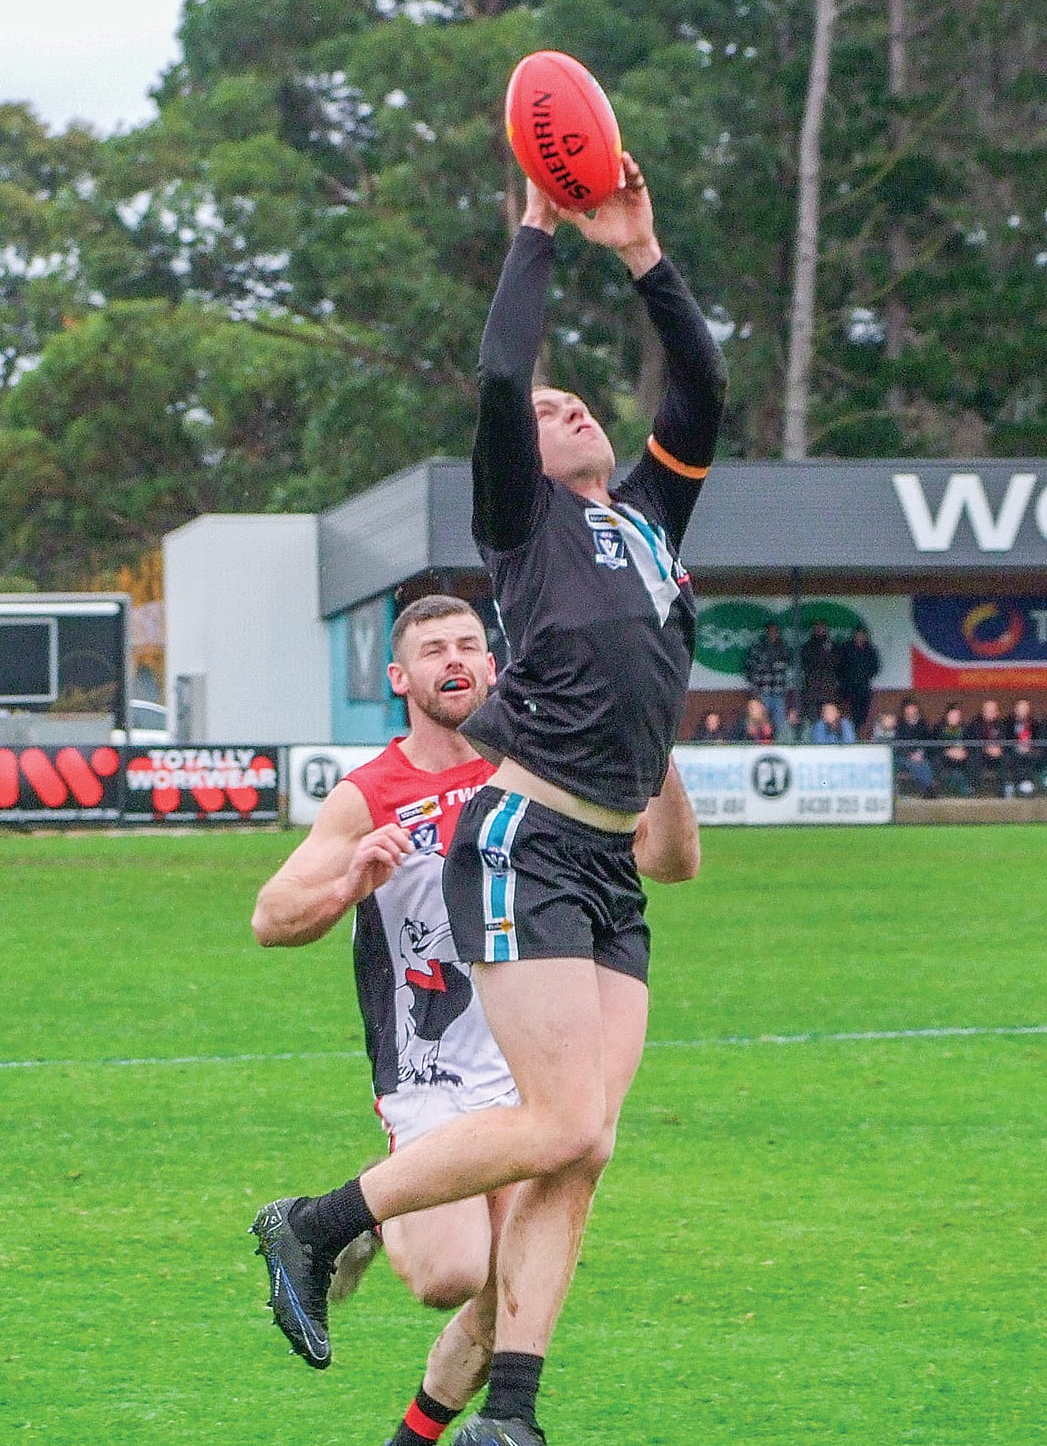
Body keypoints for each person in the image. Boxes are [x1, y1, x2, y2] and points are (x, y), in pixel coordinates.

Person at [250, 153, 725, 1446]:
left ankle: (499, 1415)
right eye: (551, 406)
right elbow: (503, 375)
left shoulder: (649, 523)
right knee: (560, 1119)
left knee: (582, 1148)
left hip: (607, 864)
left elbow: (703, 386)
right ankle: (318, 1223)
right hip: (521, 841)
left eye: (588, 405)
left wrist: (642, 248)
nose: (569, 407)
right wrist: (536, 229)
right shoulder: (524, 525)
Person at [248, 597, 700, 1446]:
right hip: (431, 1070)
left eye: (468, 645)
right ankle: (368, 1212)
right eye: (432, 650)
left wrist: (655, 733)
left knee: (511, 1298)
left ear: (495, 667)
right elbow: (271, 916)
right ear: (401, 678)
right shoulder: (373, 792)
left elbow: (672, 863)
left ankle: (423, 1437)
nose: (454, 660)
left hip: (532, 1061)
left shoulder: (545, 772)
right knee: (451, 1276)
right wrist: (350, 880)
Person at [742, 621, 793, 740]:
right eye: (771, 631)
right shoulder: (758, 648)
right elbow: (749, 668)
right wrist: (755, 690)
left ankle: (780, 745)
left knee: (780, 723)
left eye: (775, 631)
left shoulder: (784, 648)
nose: (773, 633)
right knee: (761, 722)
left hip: (779, 691)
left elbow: (789, 668)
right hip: (762, 692)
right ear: (766, 632)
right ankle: (759, 744)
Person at [834, 624, 881, 732]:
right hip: (848, 688)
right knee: (848, 714)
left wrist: (864, 676)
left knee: (862, 715)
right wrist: (846, 680)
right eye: (858, 634)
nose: (860, 637)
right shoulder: (846, 648)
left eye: (862, 635)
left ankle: (858, 733)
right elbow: (838, 667)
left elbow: (875, 668)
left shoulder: (870, 649)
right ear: (854, 635)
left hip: (863, 688)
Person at [892, 699, 938, 797]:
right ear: (904, 711)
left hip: (920, 756)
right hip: (903, 756)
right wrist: (910, 755)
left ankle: (929, 788)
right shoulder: (899, 725)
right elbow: (898, 744)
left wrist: (920, 753)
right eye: (908, 710)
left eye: (913, 710)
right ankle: (929, 787)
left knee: (924, 764)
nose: (911, 713)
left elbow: (928, 742)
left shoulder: (923, 724)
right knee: (914, 763)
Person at [798, 620, 839, 720]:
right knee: (813, 719)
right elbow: (805, 664)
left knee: (828, 719)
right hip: (811, 690)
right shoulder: (807, 646)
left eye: (822, 627)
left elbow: (837, 663)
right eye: (817, 628)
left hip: (828, 690)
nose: (820, 630)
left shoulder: (832, 645)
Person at [967, 697, 1010, 795]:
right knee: (974, 758)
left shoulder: (1002, 725)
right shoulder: (975, 724)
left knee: (1006, 758)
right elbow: (973, 743)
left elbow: (1006, 742)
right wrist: (986, 749)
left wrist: (1000, 749)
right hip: (981, 754)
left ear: (997, 712)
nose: (989, 713)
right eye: (987, 711)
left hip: (997, 755)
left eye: (992, 711)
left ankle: (1004, 790)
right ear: (983, 712)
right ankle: (973, 789)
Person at [935, 703, 974, 796]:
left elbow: (971, 744)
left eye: (957, 716)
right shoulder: (939, 728)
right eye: (952, 715)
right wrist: (947, 751)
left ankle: (970, 787)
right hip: (945, 758)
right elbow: (934, 747)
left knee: (973, 760)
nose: (954, 718)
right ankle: (963, 789)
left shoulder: (965, 728)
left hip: (962, 758)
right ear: (946, 715)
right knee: (938, 762)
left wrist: (965, 752)